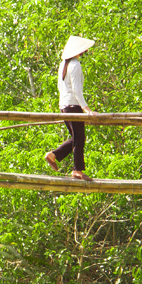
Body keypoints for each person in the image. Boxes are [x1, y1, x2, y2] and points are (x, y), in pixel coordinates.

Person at [45, 35, 97, 180]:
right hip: (72, 106)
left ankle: (53, 155)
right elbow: (77, 90)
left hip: (64, 105)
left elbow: (60, 87)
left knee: (77, 137)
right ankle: (77, 170)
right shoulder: (75, 65)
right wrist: (86, 109)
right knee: (79, 138)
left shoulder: (63, 64)